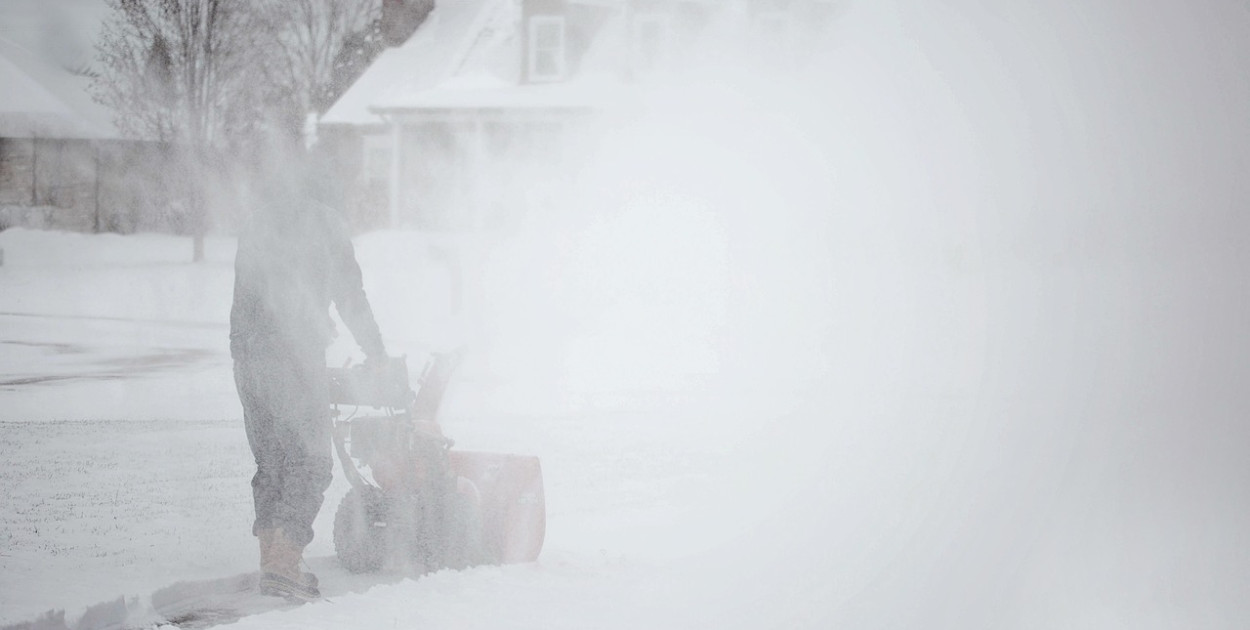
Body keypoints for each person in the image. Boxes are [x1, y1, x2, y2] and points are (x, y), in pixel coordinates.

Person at [229, 140, 387, 601]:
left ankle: (274, 561)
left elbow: (253, 299)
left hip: (247, 360)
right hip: (293, 358)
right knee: (312, 462)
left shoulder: (257, 223)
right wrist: (375, 353)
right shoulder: (326, 224)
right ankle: (283, 563)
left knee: (273, 461)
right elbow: (351, 298)